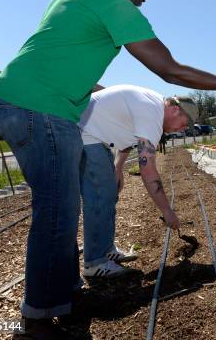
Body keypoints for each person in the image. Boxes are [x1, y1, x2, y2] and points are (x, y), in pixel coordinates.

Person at [0, 0, 216, 336]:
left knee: (62, 208)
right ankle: (39, 317)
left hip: (33, 105)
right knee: (56, 211)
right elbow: (169, 69)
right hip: (42, 108)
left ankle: (65, 293)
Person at [78, 85, 196, 278]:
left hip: (94, 135)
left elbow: (128, 138)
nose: (182, 130)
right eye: (184, 124)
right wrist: (167, 210)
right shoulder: (153, 114)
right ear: (175, 109)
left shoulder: (152, 105)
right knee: (100, 199)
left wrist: (117, 168)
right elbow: (148, 169)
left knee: (108, 196)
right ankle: (95, 262)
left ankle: (105, 249)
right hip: (85, 134)